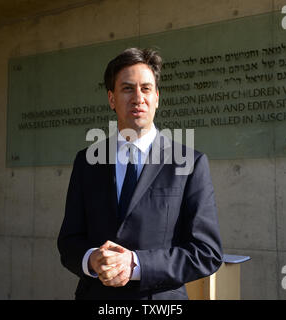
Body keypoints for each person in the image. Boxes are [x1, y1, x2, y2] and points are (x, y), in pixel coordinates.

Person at [57, 48, 223, 300]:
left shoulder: (191, 163)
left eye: (146, 89)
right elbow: (69, 242)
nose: (138, 98)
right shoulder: (86, 162)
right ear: (111, 99)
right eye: (127, 89)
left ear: (157, 97)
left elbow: (206, 252)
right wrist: (91, 259)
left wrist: (134, 264)